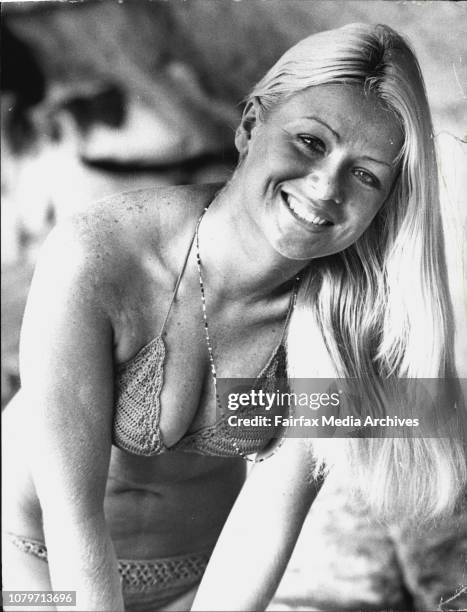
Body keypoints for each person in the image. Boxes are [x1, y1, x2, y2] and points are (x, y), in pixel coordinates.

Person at [2, 22, 465, 612]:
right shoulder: (98, 255)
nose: (326, 187)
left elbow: (265, 522)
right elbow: (72, 520)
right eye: (311, 142)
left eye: (366, 173)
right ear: (250, 126)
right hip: (32, 571)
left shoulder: (341, 323)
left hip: (194, 585)